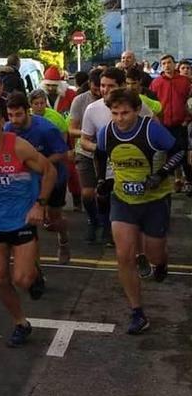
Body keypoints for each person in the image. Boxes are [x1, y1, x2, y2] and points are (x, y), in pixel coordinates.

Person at [0, 102, 56, 348]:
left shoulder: (17, 146)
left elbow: (49, 171)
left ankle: (35, 274)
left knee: (22, 279)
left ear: (1, 123)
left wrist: (39, 204)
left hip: (21, 218)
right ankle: (20, 323)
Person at [95, 89, 181, 334]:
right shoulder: (107, 132)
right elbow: (100, 155)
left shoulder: (151, 129)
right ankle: (137, 312)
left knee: (154, 254)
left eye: (125, 113)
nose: (120, 118)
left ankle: (161, 263)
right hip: (123, 201)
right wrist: (103, 179)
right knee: (124, 255)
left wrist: (161, 174)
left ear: (136, 111)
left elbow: (178, 150)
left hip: (154, 200)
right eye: (115, 113)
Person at [81, 67, 155, 247]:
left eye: (111, 86)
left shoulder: (139, 106)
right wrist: (102, 148)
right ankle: (105, 227)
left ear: (123, 86)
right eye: (102, 85)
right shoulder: (92, 109)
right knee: (102, 197)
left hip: (133, 164)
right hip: (105, 164)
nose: (105, 90)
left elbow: (155, 132)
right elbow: (84, 141)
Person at [5, 92, 71, 266]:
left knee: (53, 219)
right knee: (26, 222)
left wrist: (40, 164)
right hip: (26, 181)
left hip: (53, 177)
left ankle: (63, 240)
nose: (14, 120)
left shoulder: (45, 129)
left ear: (28, 111)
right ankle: (34, 267)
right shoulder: (8, 129)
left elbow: (62, 153)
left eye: (18, 114)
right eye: (10, 115)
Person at [69, 68, 104, 243]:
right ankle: (93, 219)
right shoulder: (80, 100)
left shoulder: (113, 100)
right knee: (88, 193)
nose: (100, 90)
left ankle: (108, 224)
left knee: (105, 192)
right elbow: (71, 128)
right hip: (85, 151)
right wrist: (87, 133)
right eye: (96, 86)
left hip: (106, 153)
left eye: (103, 86)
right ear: (89, 84)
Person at [150, 55, 192, 194]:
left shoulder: (185, 82)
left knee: (183, 153)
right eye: (164, 63)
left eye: (169, 63)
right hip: (163, 125)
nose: (167, 65)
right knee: (165, 155)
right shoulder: (156, 83)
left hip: (181, 124)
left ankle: (188, 181)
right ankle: (170, 181)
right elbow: (152, 104)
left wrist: (186, 119)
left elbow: (189, 102)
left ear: (175, 65)